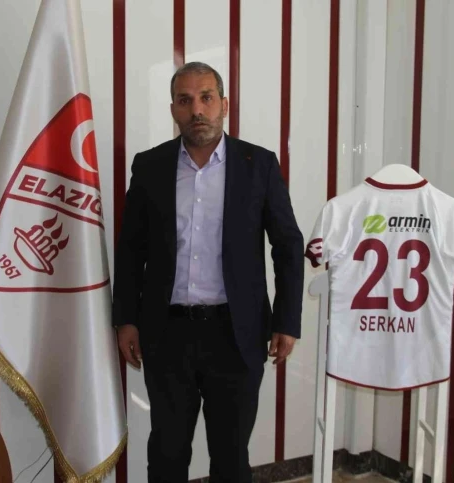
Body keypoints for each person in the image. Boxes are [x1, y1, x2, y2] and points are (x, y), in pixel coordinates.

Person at [112, 61, 304, 482]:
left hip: (236, 335)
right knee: (167, 452)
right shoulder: (150, 166)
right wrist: (126, 319)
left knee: (231, 455)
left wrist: (287, 320)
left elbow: (288, 245)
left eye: (206, 98)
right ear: (173, 110)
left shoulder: (258, 165)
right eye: (185, 100)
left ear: (224, 105)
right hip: (167, 333)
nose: (197, 109)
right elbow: (130, 250)